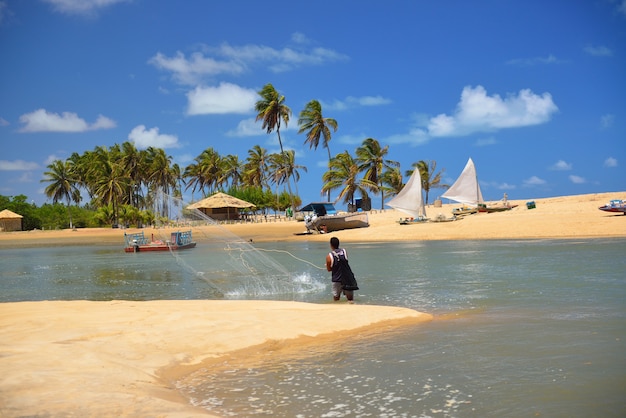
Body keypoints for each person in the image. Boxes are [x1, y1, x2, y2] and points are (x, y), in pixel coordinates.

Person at [326, 237, 354, 302]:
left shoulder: (329, 256)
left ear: (331, 245)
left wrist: (329, 265)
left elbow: (329, 269)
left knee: (336, 299)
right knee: (350, 300)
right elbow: (344, 262)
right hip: (347, 279)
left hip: (337, 279)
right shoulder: (344, 251)